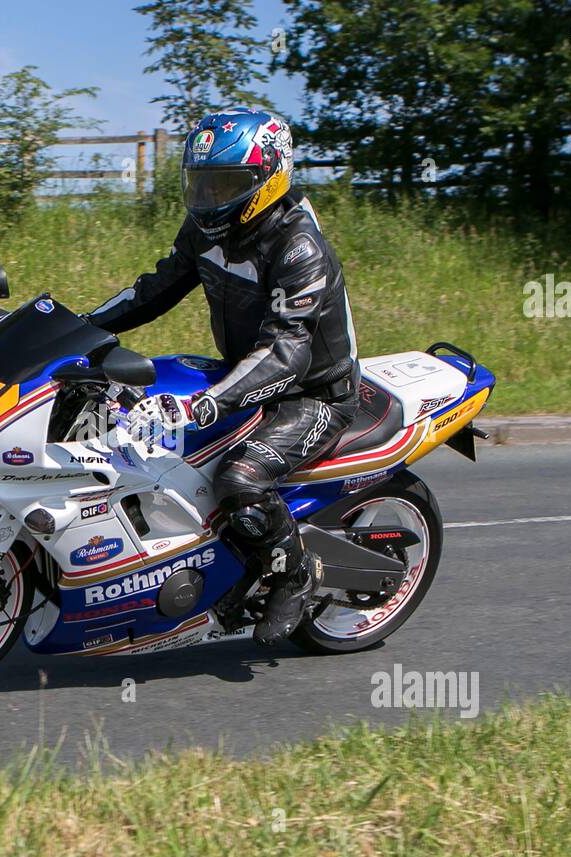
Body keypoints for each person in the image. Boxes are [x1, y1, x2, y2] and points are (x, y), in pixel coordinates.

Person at [85, 107, 359, 645]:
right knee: (132, 437)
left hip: (312, 393)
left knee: (238, 479)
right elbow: (155, 289)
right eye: (202, 184)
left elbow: (288, 351)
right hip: (243, 376)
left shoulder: (297, 248)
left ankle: (294, 576)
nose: (210, 197)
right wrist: (82, 328)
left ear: (269, 176)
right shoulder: (209, 229)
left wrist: (210, 401)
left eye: (226, 184)